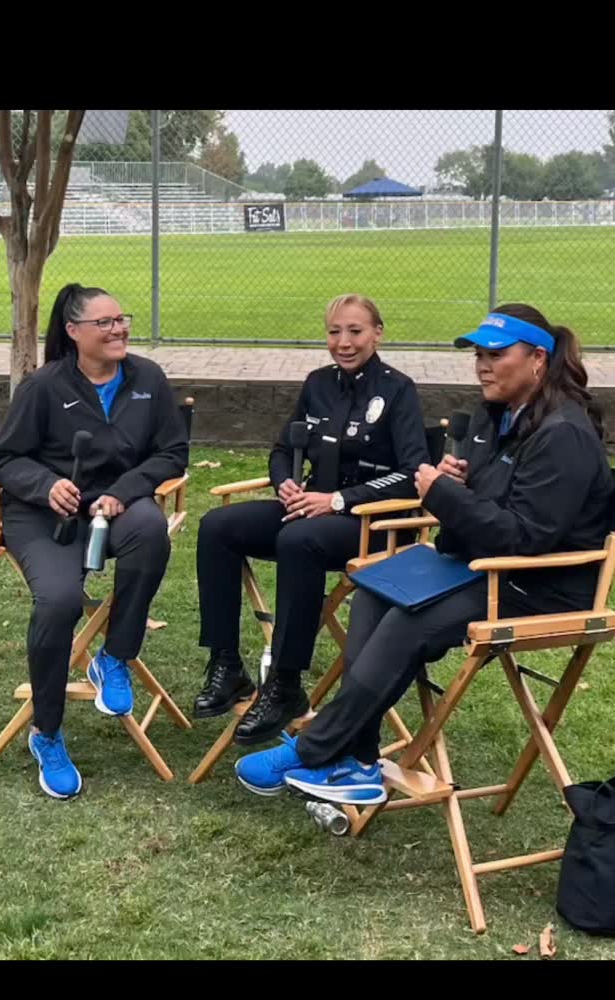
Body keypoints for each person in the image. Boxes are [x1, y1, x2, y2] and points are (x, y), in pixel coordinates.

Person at [235, 302, 613, 803]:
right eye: (479, 353)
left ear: (538, 359)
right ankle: (360, 761)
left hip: (539, 584)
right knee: (374, 590)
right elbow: (482, 515)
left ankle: (317, 748)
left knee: (407, 621)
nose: (483, 364)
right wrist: (460, 486)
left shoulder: (564, 433)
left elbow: (523, 538)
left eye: (497, 354)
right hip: (481, 566)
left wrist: (445, 494)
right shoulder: (492, 416)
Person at [194, 294, 429, 746]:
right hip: (309, 510)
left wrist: (338, 500)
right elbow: (285, 448)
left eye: (355, 331)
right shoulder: (317, 383)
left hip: (371, 524)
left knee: (299, 541)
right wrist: (285, 483)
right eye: (334, 331)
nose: (343, 342)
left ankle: (285, 683)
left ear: (378, 333)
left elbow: (411, 476)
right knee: (217, 528)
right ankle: (226, 665)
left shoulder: (398, 389)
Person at [0, 283, 188, 801]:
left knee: (149, 529)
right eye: (105, 322)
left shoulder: (148, 379)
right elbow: (6, 460)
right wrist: (46, 485)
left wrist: (123, 493)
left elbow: (172, 453)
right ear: (74, 332)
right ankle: (47, 733)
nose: (119, 328)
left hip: (114, 506)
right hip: (43, 514)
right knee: (56, 602)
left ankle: (115, 657)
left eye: (121, 319)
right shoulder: (43, 386)